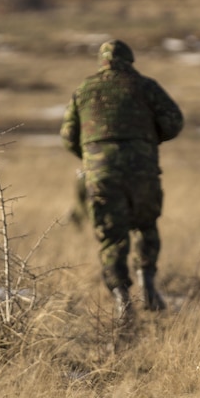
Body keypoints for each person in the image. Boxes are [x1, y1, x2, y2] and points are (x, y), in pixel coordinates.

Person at [60, 39, 184, 321]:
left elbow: (68, 135)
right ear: (130, 60)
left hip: (102, 173)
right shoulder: (146, 86)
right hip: (142, 169)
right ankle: (149, 286)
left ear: (102, 62)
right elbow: (174, 121)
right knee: (146, 225)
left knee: (111, 236)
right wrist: (148, 140)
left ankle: (121, 300)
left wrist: (91, 158)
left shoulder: (85, 89)